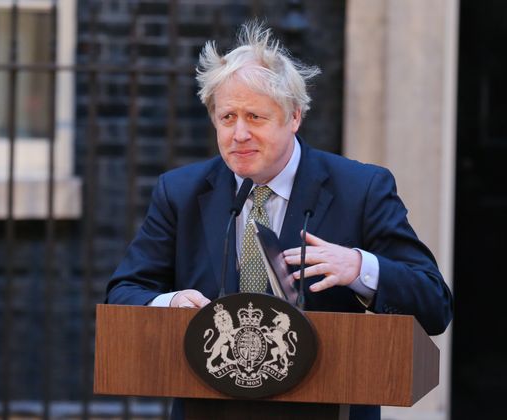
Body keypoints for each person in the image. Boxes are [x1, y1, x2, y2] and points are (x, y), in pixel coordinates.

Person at [106, 22, 453, 420]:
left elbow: (434, 305)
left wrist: (360, 268)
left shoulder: (361, 188)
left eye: (255, 117)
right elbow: (123, 292)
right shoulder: (180, 192)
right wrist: (169, 303)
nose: (238, 134)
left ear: (294, 117)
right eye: (227, 117)